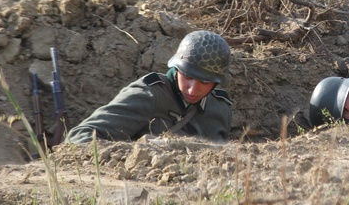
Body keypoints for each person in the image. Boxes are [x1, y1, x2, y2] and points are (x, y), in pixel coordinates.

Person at [66, 30, 234, 143]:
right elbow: (79, 136)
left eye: (204, 82)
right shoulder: (149, 94)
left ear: (216, 83)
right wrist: (138, 152)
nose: (192, 89)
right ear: (176, 69)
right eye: (188, 77)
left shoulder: (220, 108)